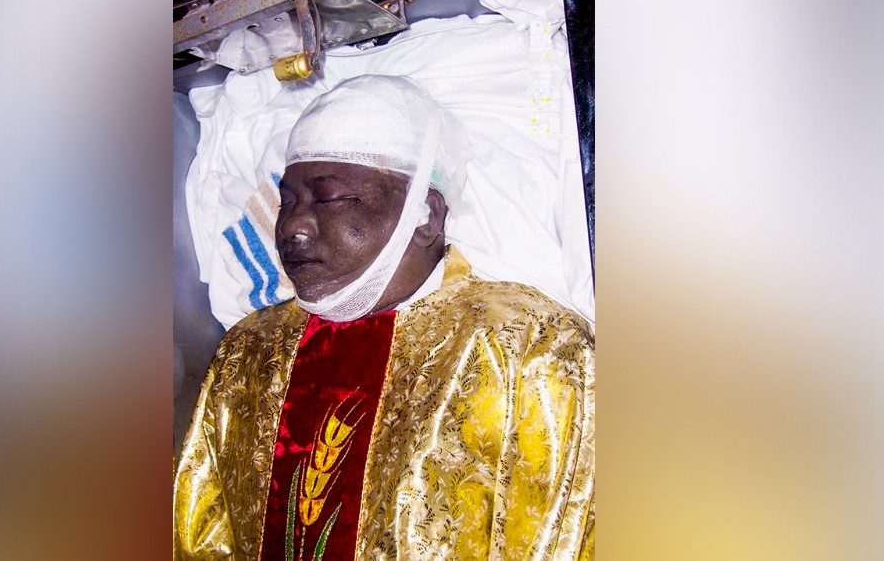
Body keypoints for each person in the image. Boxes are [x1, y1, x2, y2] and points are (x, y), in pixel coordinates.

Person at [173, 75, 594, 560]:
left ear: (425, 215)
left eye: (329, 198)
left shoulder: (531, 346)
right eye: (288, 200)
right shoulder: (248, 351)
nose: (292, 226)